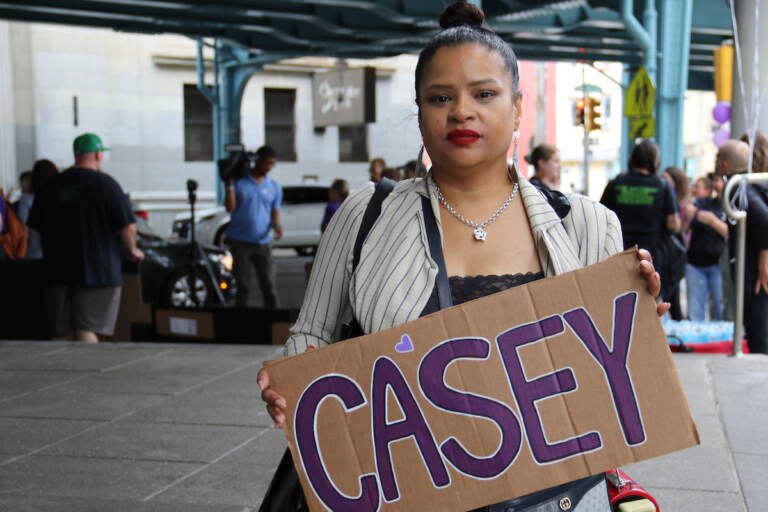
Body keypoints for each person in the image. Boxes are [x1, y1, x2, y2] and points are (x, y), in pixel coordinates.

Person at [258, 2, 667, 510]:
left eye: (484, 94)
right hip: (401, 493)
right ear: (419, 109)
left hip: (551, 498)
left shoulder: (586, 223)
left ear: (518, 108)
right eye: (440, 97)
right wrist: (291, 383)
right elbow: (312, 333)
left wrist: (641, 323)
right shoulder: (365, 213)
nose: (461, 112)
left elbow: (608, 383)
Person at [27, 133, 144, 342]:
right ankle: (87, 372)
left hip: (56, 269)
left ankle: (59, 373)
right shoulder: (106, 185)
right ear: (98, 155)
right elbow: (127, 225)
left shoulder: (51, 185)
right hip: (97, 270)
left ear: (76, 155)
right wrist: (132, 248)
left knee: (60, 332)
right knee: (86, 328)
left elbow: (35, 227)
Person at [600, 140, 680, 302]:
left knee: (619, 299)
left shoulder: (615, 184)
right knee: (650, 300)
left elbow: (601, 217)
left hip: (618, 252)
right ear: (655, 161)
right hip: (651, 254)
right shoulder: (662, 186)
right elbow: (673, 223)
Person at [718, 136, 768, 353]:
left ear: (725, 164)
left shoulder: (739, 187)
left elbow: (765, 221)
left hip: (753, 276)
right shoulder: (744, 185)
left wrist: (764, 259)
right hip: (750, 271)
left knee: (760, 339)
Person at [224, 144, 283, 309]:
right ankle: (241, 319)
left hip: (263, 241)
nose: (270, 167)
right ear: (258, 161)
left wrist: (277, 226)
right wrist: (228, 185)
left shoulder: (274, 186)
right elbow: (230, 207)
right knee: (243, 285)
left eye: (273, 164)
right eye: (268, 163)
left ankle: (275, 320)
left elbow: (274, 211)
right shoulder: (240, 182)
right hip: (239, 241)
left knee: (269, 284)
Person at [685, 176, 728, 321]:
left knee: (721, 312)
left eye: (720, 180)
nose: (717, 184)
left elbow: (730, 233)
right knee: (695, 313)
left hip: (718, 265)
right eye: (716, 180)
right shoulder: (703, 203)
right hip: (695, 264)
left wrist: (712, 221)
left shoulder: (731, 207)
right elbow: (683, 228)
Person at [17, 159, 59, 259]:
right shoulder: (60, 197)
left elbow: (23, 223)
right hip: (59, 252)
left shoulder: (27, 199)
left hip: (34, 251)